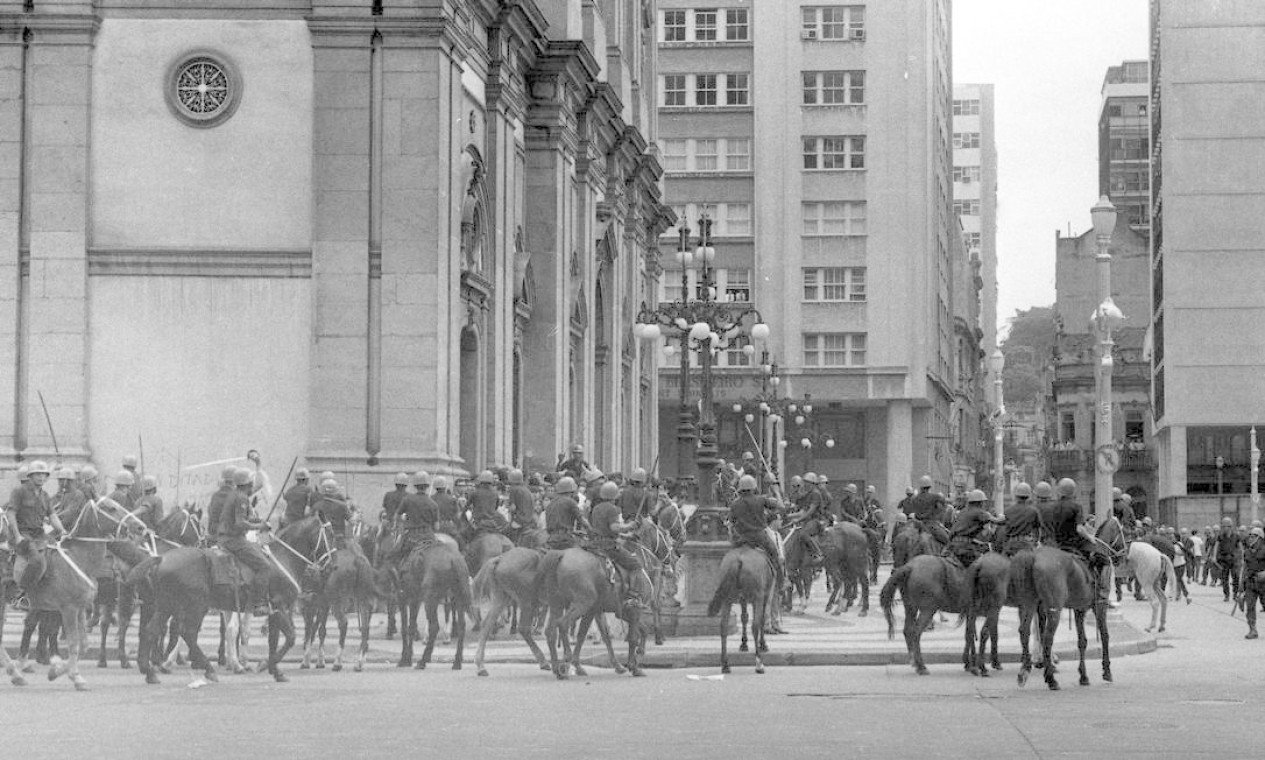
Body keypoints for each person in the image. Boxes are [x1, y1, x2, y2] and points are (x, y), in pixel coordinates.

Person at [585, 481, 649, 609]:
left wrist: (627, 536)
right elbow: (614, 528)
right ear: (614, 495)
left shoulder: (596, 508)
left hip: (594, 544)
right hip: (608, 546)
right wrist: (629, 527)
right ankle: (632, 596)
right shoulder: (612, 509)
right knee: (636, 565)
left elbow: (602, 529)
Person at [6, 461, 66, 593]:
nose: (41, 477)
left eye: (44, 475)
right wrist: (17, 536)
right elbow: (11, 513)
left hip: (39, 534)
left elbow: (53, 516)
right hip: (23, 534)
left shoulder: (45, 496)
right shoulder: (19, 491)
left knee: (58, 553)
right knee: (36, 561)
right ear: (30, 476)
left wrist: (63, 531)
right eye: (37, 474)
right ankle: (22, 592)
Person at [217, 467, 271, 611]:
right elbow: (240, 523)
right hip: (234, 540)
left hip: (226, 538)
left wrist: (258, 520)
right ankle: (259, 603)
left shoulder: (235, 494)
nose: (252, 486)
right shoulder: (241, 497)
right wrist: (260, 526)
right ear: (247, 484)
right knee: (265, 566)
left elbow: (244, 518)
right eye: (251, 483)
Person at [728, 474, 784, 586]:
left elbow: (731, 523)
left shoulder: (735, 504)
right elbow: (780, 506)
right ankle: (782, 582)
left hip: (742, 539)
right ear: (753, 488)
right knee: (775, 554)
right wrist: (776, 491)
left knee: (729, 559)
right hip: (760, 537)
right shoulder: (761, 499)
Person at [944, 489, 999, 568]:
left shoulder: (962, 512)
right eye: (983, 502)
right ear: (980, 502)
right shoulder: (979, 512)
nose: (984, 504)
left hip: (952, 546)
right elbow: (997, 521)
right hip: (964, 549)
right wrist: (1005, 517)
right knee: (984, 566)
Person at [544, 476, 590, 550]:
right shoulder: (570, 502)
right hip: (566, 540)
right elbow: (582, 520)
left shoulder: (551, 503)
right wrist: (592, 530)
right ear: (571, 491)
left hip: (551, 539)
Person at [904, 475, 949, 545]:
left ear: (920, 486)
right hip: (931, 525)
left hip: (915, 524)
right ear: (930, 486)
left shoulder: (914, 498)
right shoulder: (935, 497)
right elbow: (941, 509)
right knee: (948, 541)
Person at [1000, 482, 1040, 556]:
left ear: (1016, 496)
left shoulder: (1007, 511)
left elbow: (1004, 530)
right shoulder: (1033, 511)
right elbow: (1036, 531)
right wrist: (1035, 542)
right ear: (1028, 496)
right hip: (1026, 545)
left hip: (1011, 545)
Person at [1241, 527, 1265, 639]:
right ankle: (1252, 630)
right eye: (1250, 536)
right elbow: (1244, 568)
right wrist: (1241, 586)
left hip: (1263, 583)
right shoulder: (1247, 551)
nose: (1251, 538)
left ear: (1260, 538)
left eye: (1254, 536)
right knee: (1250, 607)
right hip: (1251, 583)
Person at [313, 479, 353, 547]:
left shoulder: (316, 505)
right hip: (339, 541)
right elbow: (351, 521)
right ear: (335, 491)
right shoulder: (342, 505)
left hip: (321, 542)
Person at [468, 470, 508, 535]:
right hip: (492, 523)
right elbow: (495, 508)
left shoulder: (475, 493)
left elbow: (467, 506)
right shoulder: (495, 494)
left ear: (480, 480)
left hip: (477, 523)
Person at [1211, 517, 1241, 602]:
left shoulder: (1236, 536)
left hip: (1233, 559)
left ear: (1230, 526)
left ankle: (1235, 594)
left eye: (1226, 526)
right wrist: (1214, 556)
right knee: (1224, 578)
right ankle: (1226, 595)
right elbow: (1216, 546)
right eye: (1223, 526)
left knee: (1236, 577)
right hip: (1223, 559)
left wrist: (1241, 558)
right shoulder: (1220, 536)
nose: (1224, 528)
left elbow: (1240, 547)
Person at [205, 466, 236, 545]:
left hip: (213, 538)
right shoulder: (236, 496)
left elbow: (210, 512)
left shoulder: (215, 496)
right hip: (230, 540)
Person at [432, 476, 464, 547]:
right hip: (449, 528)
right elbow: (457, 517)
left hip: (434, 529)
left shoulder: (430, 499)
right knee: (463, 545)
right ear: (445, 487)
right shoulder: (452, 499)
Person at [505, 469, 536, 539]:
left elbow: (513, 507)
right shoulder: (526, 490)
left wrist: (507, 506)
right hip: (530, 520)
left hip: (519, 521)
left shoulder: (513, 489)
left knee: (504, 533)